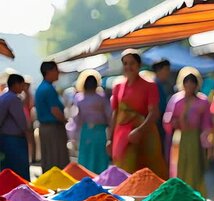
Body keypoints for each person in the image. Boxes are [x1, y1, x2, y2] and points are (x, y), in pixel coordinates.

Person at [108, 49, 168, 179]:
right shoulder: (118, 87)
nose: (128, 67)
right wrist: (110, 139)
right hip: (122, 135)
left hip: (144, 135)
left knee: (146, 176)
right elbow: (115, 113)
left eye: (132, 63)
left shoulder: (149, 86)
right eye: (125, 63)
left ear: (139, 65)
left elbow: (154, 113)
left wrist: (139, 131)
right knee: (123, 175)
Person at [164, 69, 212, 194]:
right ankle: (178, 194)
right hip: (179, 138)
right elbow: (167, 120)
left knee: (194, 168)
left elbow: (207, 123)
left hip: (195, 139)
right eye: (187, 81)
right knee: (178, 166)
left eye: (192, 82)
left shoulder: (202, 101)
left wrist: (207, 142)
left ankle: (194, 194)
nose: (189, 85)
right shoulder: (176, 100)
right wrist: (174, 122)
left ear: (197, 84)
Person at [69, 70, 112, 174]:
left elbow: (76, 119)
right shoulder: (101, 97)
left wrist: (73, 136)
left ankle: (86, 178)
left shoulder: (79, 98)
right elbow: (109, 116)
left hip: (87, 132)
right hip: (98, 131)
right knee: (99, 157)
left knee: (87, 157)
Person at [35, 61, 69, 172]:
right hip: (53, 128)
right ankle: (56, 187)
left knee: (48, 158)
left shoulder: (41, 88)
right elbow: (55, 110)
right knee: (56, 159)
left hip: (45, 128)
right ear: (49, 71)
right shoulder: (48, 89)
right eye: (56, 70)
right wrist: (64, 120)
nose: (58, 72)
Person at [0, 74, 30, 179]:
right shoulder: (13, 99)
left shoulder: (4, 97)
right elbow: (21, 121)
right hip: (14, 140)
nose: (23, 88)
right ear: (16, 84)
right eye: (22, 85)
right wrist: (27, 131)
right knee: (19, 171)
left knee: (8, 170)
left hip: (5, 139)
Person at [152, 59, 172, 162]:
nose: (168, 72)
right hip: (157, 124)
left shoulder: (163, 85)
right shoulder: (154, 85)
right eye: (166, 69)